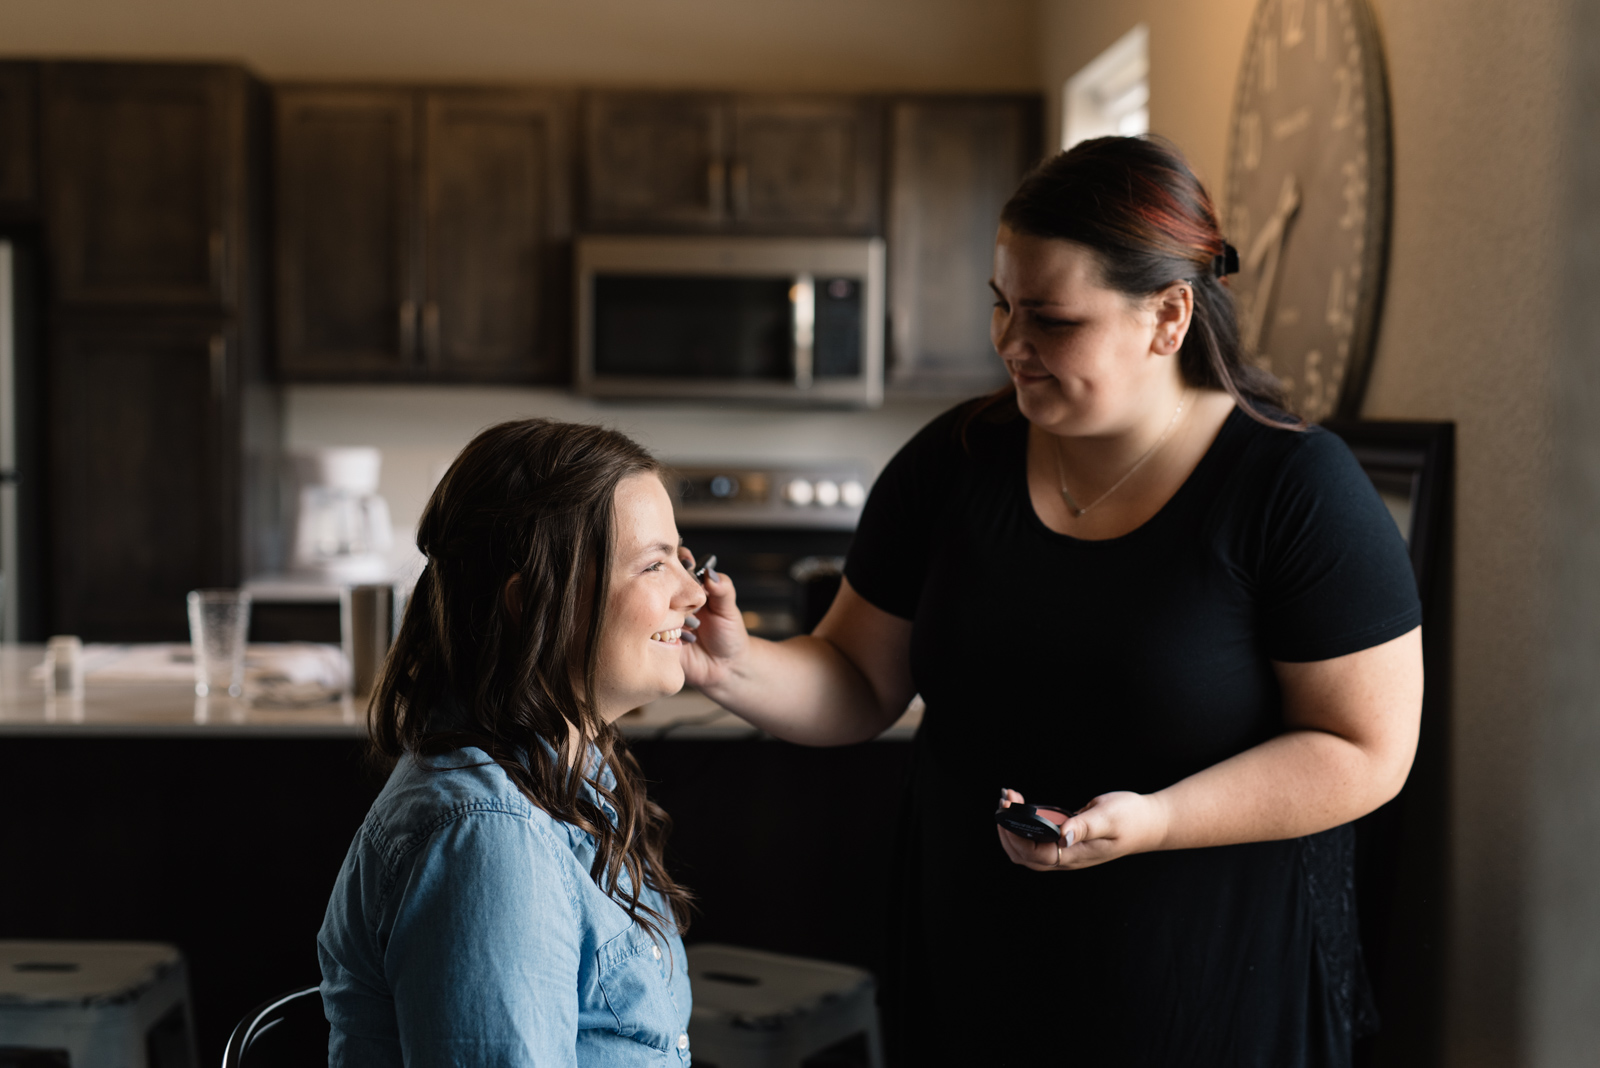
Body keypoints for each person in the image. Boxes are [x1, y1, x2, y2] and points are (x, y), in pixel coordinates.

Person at [679, 137, 1424, 1067]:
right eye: (1001, 307)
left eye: (1052, 320)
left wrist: (1156, 822)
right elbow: (858, 682)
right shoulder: (956, 461)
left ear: (1169, 316)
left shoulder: (1295, 490)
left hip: (1203, 985)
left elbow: (1366, 750)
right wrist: (734, 667)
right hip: (972, 967)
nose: (1010, 346)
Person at [318, 419, 706, 1067]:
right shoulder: (487, 840)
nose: (693, 594)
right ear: (534, 604)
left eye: (683, 558)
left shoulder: (563, 770)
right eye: (653, 565)